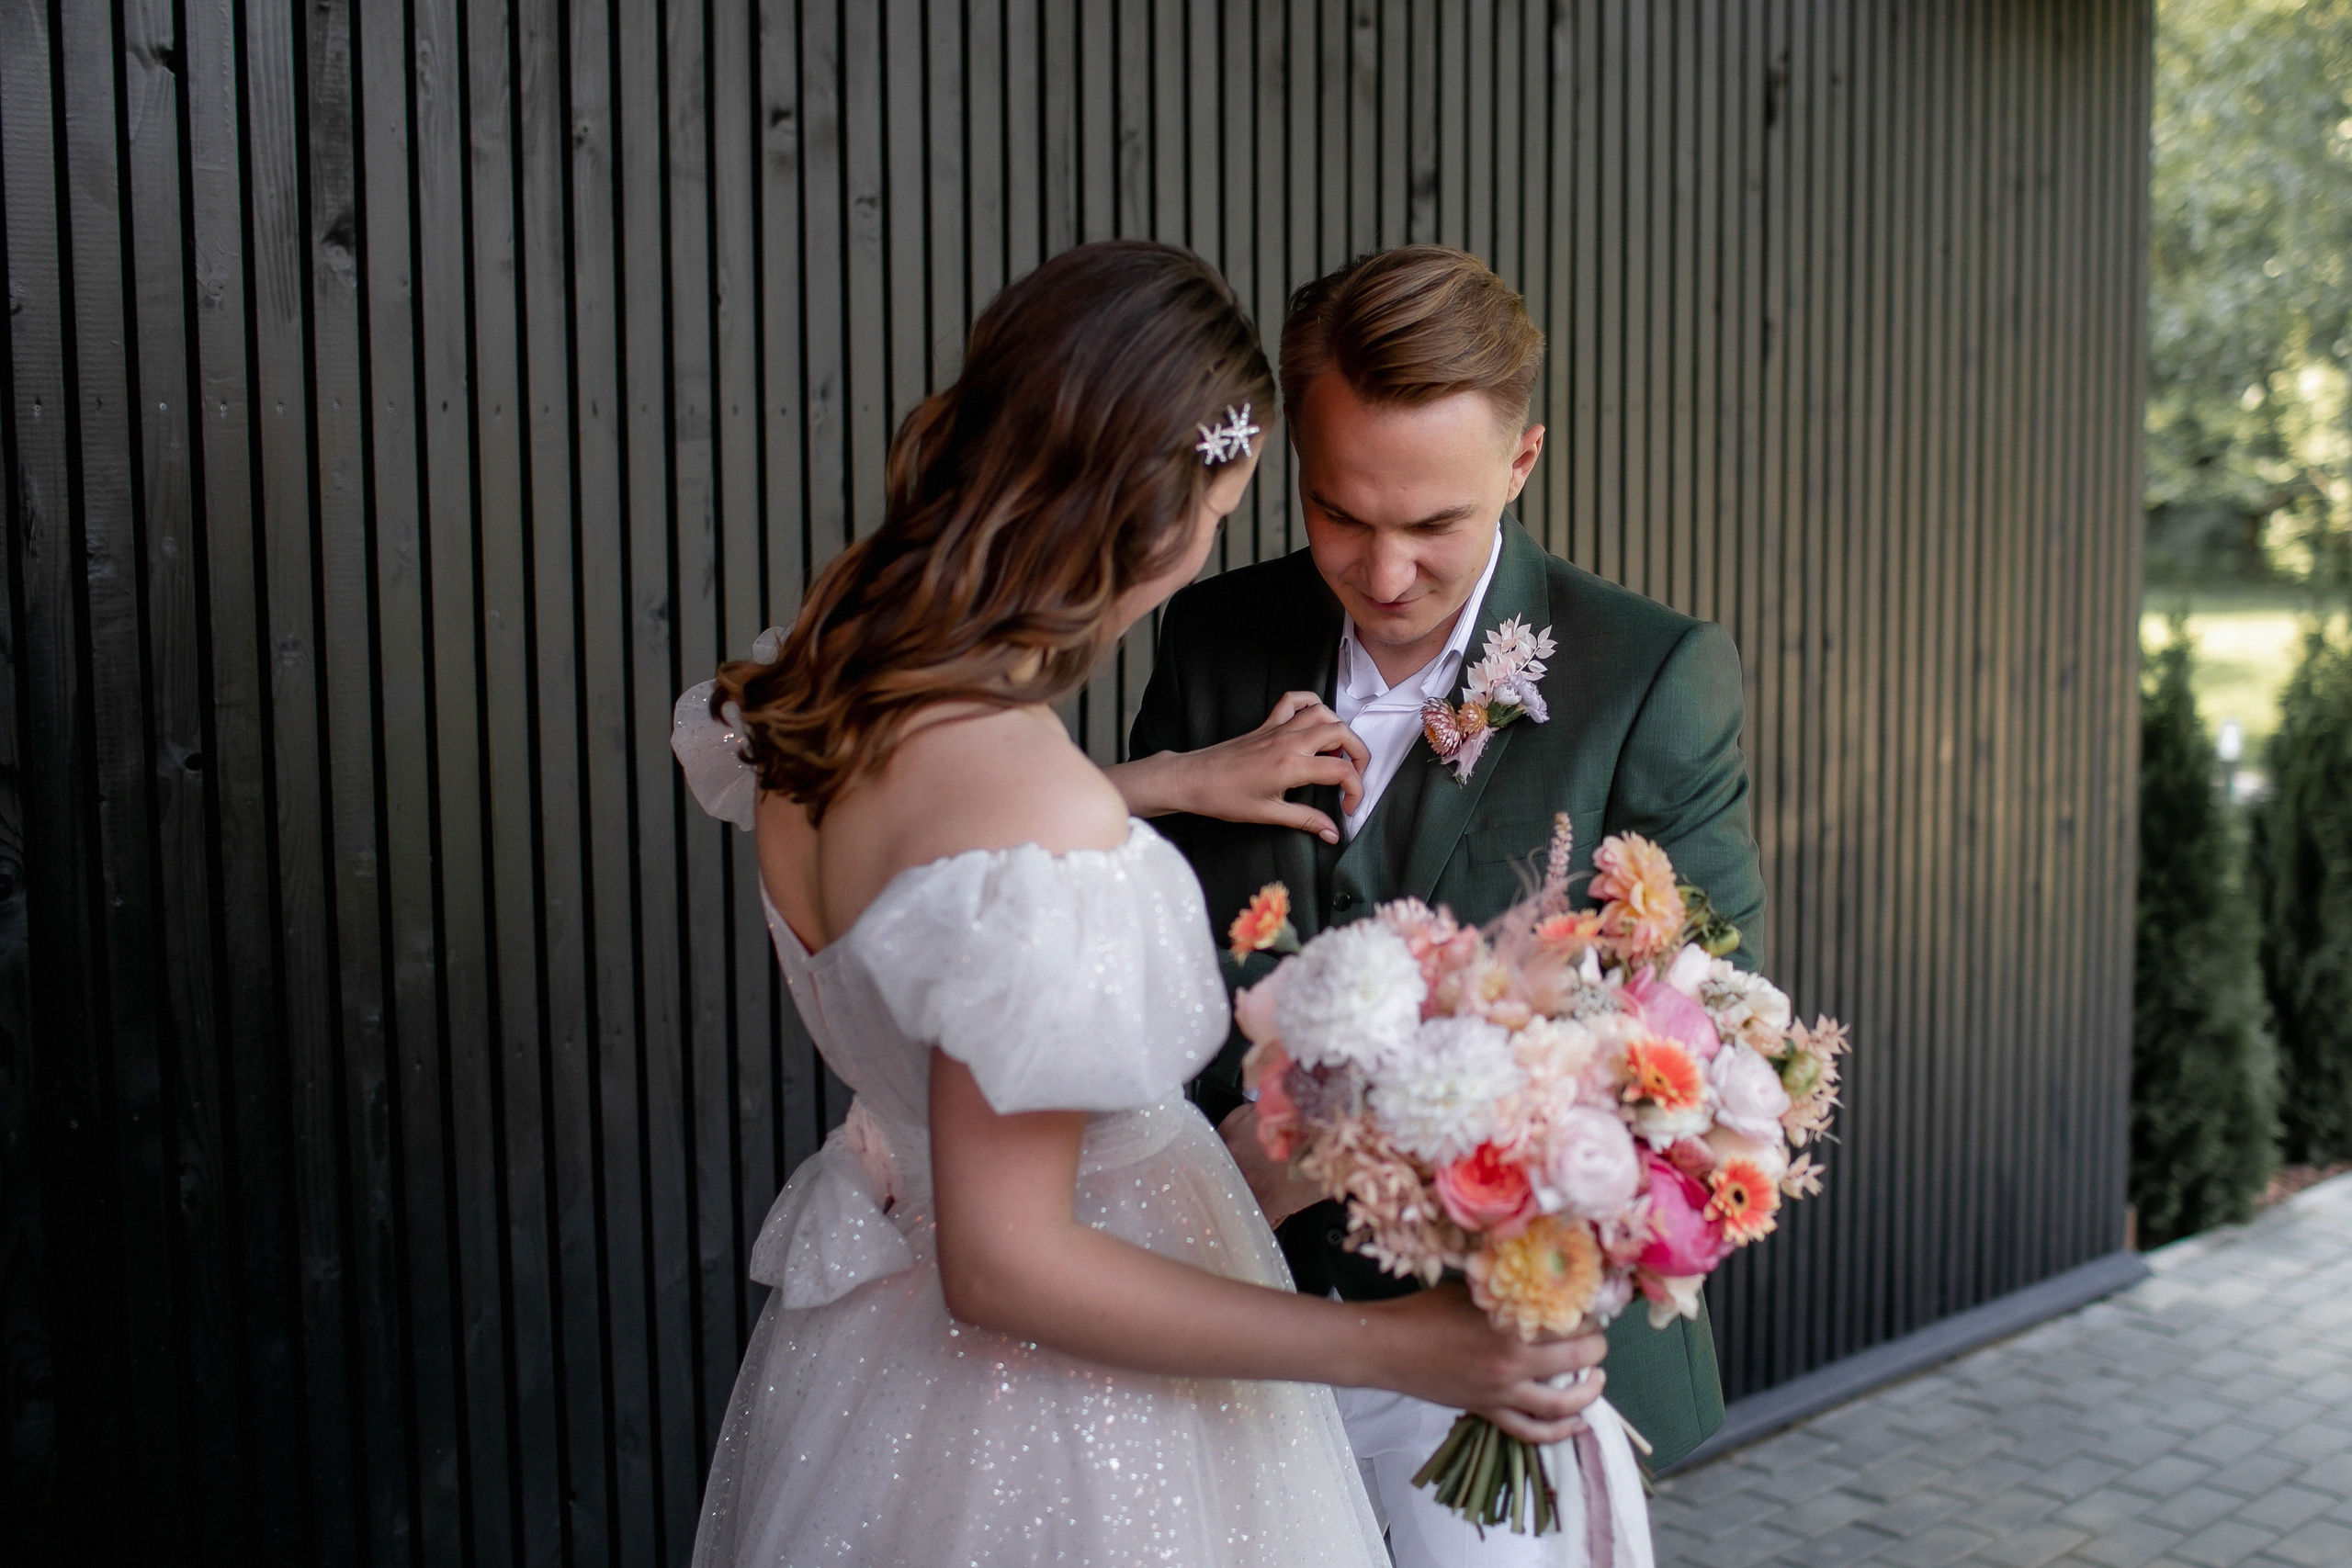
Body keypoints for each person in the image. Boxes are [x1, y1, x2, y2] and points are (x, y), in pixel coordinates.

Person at [672, 240, 1628, 1567]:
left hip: (886, 1381)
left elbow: (932, 865)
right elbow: (1007, 1265)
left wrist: (1162, 781)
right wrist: (1395, 1347)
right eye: (1228, 510)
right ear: (1161, 513)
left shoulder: (819, 690)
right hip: (1090, 1428)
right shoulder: (1035, 814)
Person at [1110, 245, 1767, 1565]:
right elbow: (1131, 948)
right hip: (1236, 1333)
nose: (1387, 570)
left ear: (1522, 463)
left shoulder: (1651, 676)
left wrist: (1342, 1157)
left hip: (1505, 1360)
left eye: (1434, 525)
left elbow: (1702, 1041)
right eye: (1341, 514)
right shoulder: (1213, 637)